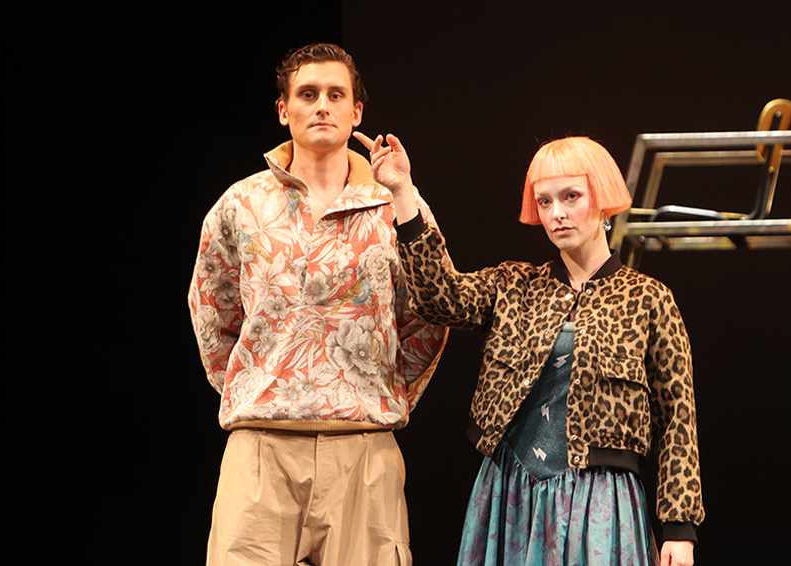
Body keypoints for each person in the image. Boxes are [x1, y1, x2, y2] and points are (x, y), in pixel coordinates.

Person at [353, 131, 703, 566]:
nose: (557, 213)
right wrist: (403, 192)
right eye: (545, 202)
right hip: (512, 493)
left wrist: (679, 529)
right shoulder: (514, 285)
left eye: (571, 196)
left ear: (602, 198)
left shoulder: (648, 299)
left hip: (599, 499)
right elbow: (439, 298)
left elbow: (678, 418)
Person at [188, 43, 447, 566]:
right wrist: (258, 382)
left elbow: (430, 313)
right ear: (284, 110)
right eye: (308, 94)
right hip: (261, 446)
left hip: (363, 448)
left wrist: (382, 392)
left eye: (336, 95)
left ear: (357, 112)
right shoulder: (241, 204)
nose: (322, 106)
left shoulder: (395, 204)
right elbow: (212, 309)